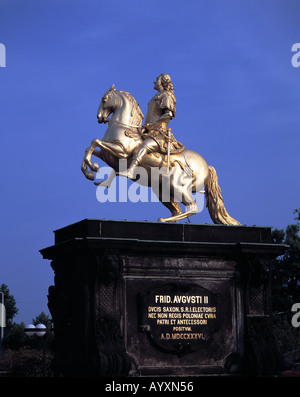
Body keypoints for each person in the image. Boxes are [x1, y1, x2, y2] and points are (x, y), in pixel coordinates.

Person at [119, 73, 184, 178]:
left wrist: (152, 125)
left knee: (144, 146)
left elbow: (168, 114)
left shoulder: (166, 95)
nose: (155, 81)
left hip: (159, 133)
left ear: (163, 81)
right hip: (149, 131)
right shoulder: (156, 96)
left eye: (157, 79)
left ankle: (131, 171)